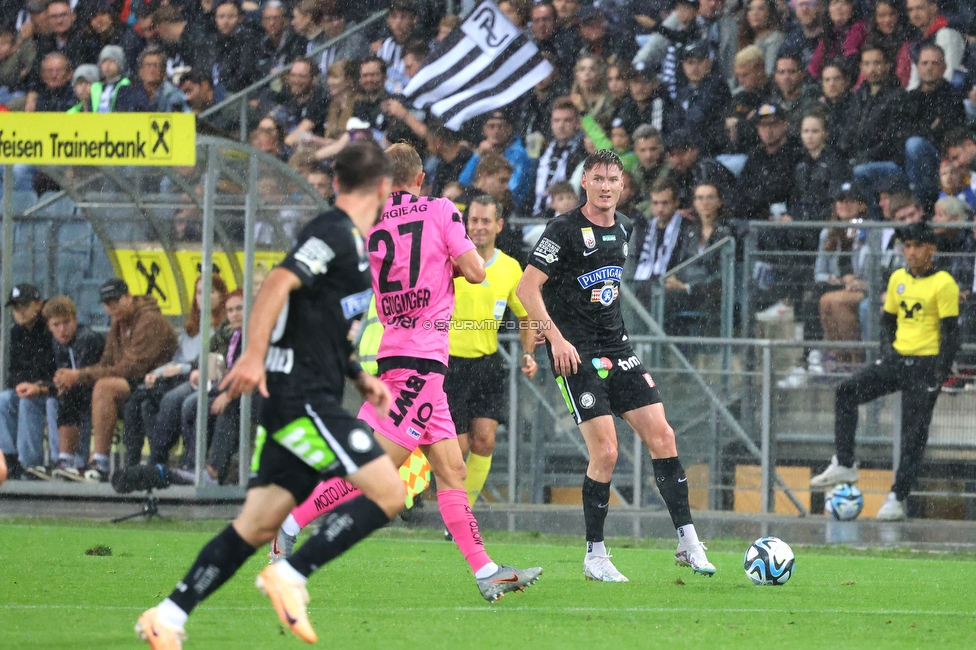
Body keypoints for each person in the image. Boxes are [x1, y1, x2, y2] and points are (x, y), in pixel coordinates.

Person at [136, 141, 408, 648]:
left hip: (305, 395)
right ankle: (294, 573)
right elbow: (278, 283)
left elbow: (319, 323)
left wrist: (358, 375)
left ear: (335, 182)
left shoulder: (350, 240)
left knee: (254, 528)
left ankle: (168, 616)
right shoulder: (333, 232)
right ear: (385, 189)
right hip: (304, 399)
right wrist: (252, 355)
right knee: (391, 492)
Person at [517, 149, 714, 582]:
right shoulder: (562, 229)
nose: (606, 186)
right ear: (585, 182)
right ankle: (595, 555)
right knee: (606, 451)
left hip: (617, 349)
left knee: (663, 436)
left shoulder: (625, 230)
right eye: (598, 178)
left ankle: (688, 543)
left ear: (623, 187)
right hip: (575, 353)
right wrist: (556, 339)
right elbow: (526, 289)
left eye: (613, 179)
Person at [811, 222, 959, 522]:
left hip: (925, 365)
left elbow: (951, 332)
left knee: (913, 433)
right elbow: (888, 320)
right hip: (897, 360)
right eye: (907, 246)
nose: (912, 252)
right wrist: (887, 351)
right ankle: (845, 462)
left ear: (931, 248)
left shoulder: (943, 283)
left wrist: (939, 370)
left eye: (918, 246)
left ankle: (898, 496)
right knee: (846, 391)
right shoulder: (898, 278)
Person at [445, 195, 538, 509]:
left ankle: (461, 512)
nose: (479, 227)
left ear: (499, 225)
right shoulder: (450, 260)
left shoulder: (510, 268)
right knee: (454, 449)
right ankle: (409, 487)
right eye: (473, 220)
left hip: (486, 364)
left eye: (486, 221)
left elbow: (525, 315)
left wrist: (528, 353)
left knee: (484, 441)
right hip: (448, 364)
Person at [53, 279, 177, 482]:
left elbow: (132, 368)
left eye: (116, 301)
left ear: (128, 297)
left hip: (157, 381)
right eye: (107, 303)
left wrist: (81, 374)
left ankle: (100, 463)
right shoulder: (118, 322)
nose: (111, 307)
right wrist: (74, 378)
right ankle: (66, 460)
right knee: (70, 388)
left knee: (104, 387)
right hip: (135, 381)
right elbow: (106, 362)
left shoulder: (149, 319)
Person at [43, 296, 105, 481]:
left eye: (67, 323)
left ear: (76, 320)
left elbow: (86, 378)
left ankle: (75, 461)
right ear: (49, 326)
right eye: (57, 325)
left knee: (70, 397)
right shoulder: (56, 344)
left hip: (95, 392)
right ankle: (60, 460)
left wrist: (63, 383)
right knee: (52, 401)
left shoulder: (87, 339)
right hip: (74, 393)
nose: (62, 329)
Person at [0, 284, 56, 481]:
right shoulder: (17, 332)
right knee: (4, 399)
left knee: (28, 401)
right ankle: (9, 459)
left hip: (49, 389)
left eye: (24, 305)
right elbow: (13, 371)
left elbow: (54, 367)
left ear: (39, 304)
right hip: (28, 387)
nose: (20, 311)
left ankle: (31, 464)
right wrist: (20, 383)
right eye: (15, 307)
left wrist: (36, 384)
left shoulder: (51, 327)